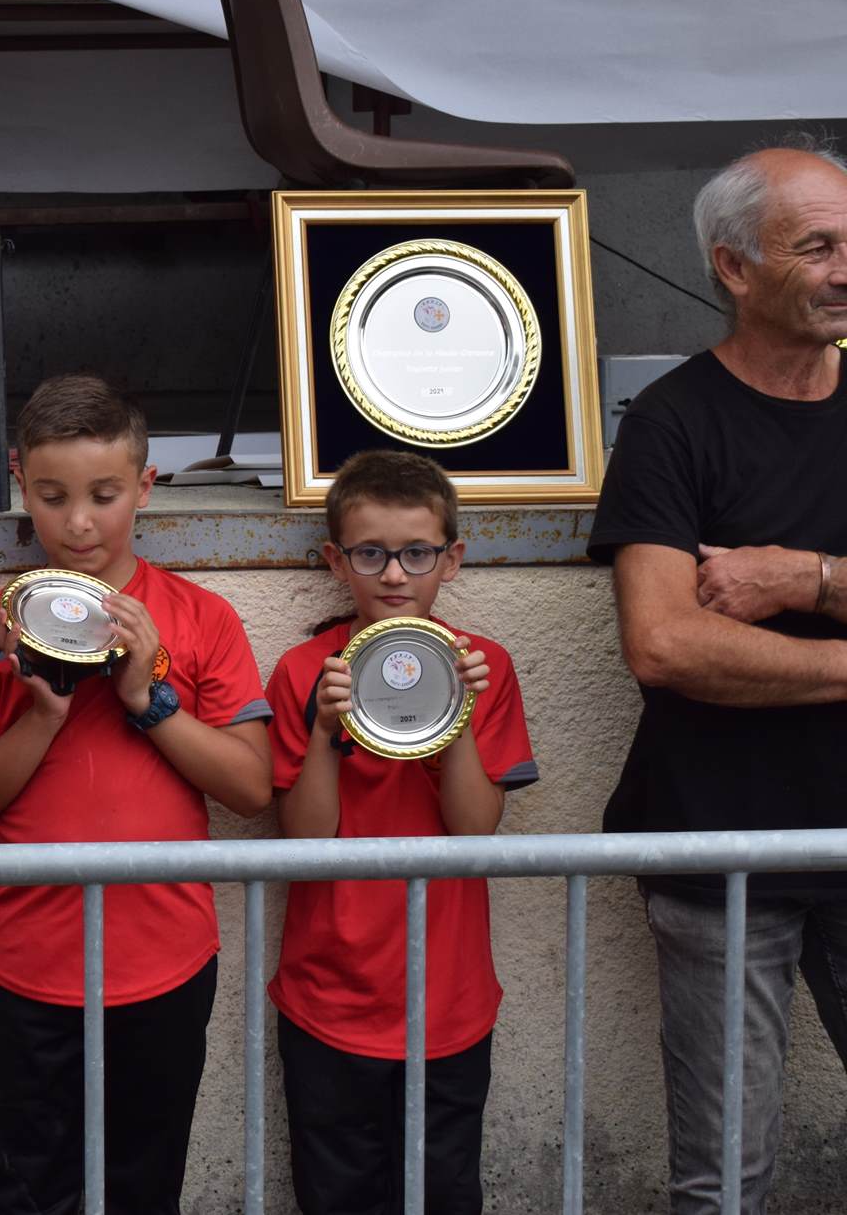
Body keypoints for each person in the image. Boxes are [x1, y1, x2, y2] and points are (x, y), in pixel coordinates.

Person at [0, 374, 272, 1213]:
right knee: (22, 1192)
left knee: (140, 1190)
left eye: (104, 494)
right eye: (52, 496)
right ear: (20, 483)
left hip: (162, 966)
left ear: (145, 486)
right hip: (23, 971)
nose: (78, 521)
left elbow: (252, 786)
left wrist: (148, 700)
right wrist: (40, 719)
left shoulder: (200, 618)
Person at [588, 137, 847, 1214]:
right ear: (732, 268)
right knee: (722, 1174)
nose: (846, 268)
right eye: (817, 245)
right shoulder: (669, 424)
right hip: (718, 847)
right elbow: (662, 644)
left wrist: (809, 576)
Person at [265, 450, 536, 1215]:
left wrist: (454, 714)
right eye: (370, 552)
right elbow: (308, 842)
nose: (393, 574)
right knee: (336, 1193)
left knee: (444, 1192)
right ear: (335, 559)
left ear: (451, 559)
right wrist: (325, 728)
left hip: (447, 1001)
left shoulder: (487, 667)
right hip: (330, 998)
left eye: (417, 552)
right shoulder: (302, 671)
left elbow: (475, 828)